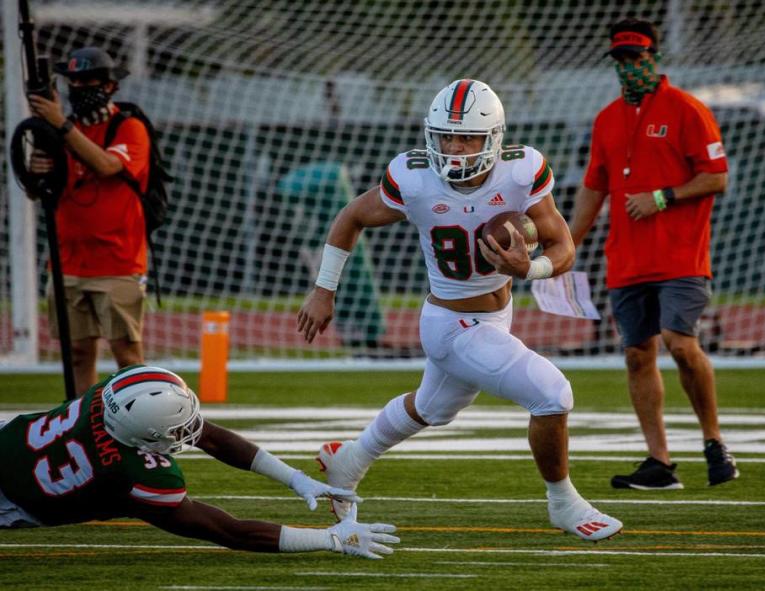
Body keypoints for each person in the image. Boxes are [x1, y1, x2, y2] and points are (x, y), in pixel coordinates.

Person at [297, 79, 622, 541]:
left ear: (493, 138)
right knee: (552, 394)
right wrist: (323, 290)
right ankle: (563, 502)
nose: (453, 147)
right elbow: (351, 216)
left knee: (432, 408)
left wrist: (528, 269)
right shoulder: (413, 177)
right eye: (445, 135)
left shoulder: (521, 170)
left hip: (494, 316)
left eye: (466, 136)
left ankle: (347, 460)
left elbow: (562, 245)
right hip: (452, 323)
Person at [569, 18, 739, 490]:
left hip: (681, 256)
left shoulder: (688, 109)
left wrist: (661, 197)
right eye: (620, 60)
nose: (628, 69)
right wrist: (567, 242)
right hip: (627, 260)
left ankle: (714, 441)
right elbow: (593, 188)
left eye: (636, 59)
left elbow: (717, 177)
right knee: (637, 355)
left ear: (654, 59)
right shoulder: (605, 119)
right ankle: (659, 462)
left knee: (679, 342)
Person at [0, 365, 399, 558]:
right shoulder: (130, 473)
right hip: (11, 499)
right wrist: (330, 539)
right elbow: (228, 531)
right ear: (144, 439)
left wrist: (295, 478)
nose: (189, 432)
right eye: (176, 430)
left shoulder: (113, 394)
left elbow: (208, 435)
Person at [27, 47, 151, 396]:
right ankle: (81, 427)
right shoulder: (58, 134)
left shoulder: (129, 127)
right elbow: (42, 194)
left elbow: (108, 166)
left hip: (117, 261)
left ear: (110, 85)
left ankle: (137, 424)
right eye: (74, 80)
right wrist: (37, 172)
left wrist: (60, 124)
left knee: (127, 355)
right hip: (67, 262)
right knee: (77, 354)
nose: (80, 87)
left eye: (89, 80)